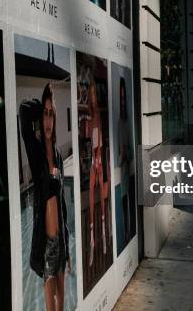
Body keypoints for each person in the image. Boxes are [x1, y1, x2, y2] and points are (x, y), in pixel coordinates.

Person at [19, 84, 71, 311]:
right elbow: (23, 111)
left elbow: (61, 204)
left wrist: (67, 249)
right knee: (51, 306)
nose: (48, 120)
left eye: (51, 114)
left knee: (63, 304)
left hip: (60, 241)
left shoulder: (58, 156)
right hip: (46, 243)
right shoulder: (36, 151)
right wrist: (41, 105)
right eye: (45, 114)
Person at [87, 79, 107, 265]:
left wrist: (98, 157)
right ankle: (93, 237)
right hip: (93, 158)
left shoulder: (98, 115)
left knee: (100, 196)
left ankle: (103, 232)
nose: (92, 98)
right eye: (90, 94)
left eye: (94, 95)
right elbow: (88, 138)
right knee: (92, 198)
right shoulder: (89, 116)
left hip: (98, 157)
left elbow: (99, 137)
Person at [116, 77, 133, 243]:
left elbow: (131, 151)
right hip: (121, 170)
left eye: (123, 98)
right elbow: (117, 156)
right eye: (119, 98)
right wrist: (122, 154)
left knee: (128, 202)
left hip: (128, 169)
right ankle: (126, 234)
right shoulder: (118, 123)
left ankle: (128, 233)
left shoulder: (127, 123)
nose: (122, 102)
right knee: (122, 202)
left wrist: (125, 152)